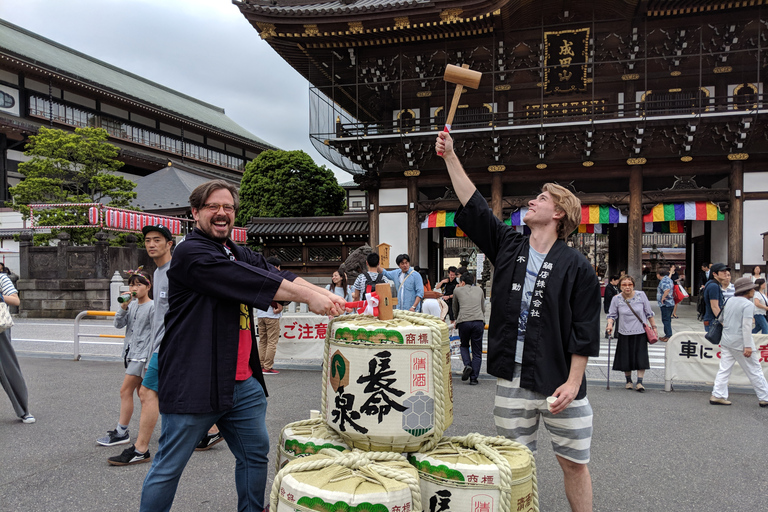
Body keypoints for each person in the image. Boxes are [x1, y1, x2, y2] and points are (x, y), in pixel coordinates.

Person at [139, 180, 345, 512]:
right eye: (213, 207)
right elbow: (251, 280)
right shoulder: (191, 252)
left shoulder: (234, 250)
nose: (222, 214)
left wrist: (326, 294)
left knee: (254, 454)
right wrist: (309, 297)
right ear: (195, 213)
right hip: (197, 379)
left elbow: (275, 272)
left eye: (229, 208)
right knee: (169, 466)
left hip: (242, 380)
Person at [436, 131, 600, 512]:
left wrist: (574, 383)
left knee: (574, 463)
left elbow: (585, 328)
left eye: (541, 198)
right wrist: (450, 158)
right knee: (513, 464)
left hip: (560, 379)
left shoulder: (577, 266)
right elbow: (473, 204)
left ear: (559, 213)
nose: (532, 200)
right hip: (512, 375)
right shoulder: (510, 245)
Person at [108, 225, 191, 465]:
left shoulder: (177, 270)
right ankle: (210, 429)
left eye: (157, 240)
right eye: (147, 241)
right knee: (169, 392)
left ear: (169, 244)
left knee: (145, 392)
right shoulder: (158, 272)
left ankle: (141, 448)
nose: (151, 244)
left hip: (166, 345)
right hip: (159, 346)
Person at [98, 270, 154, 447]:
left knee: (125, 391)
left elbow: (156, 334)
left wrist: (149, 357)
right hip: (130, 354)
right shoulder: (132, 305)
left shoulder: (153, 307)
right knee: (144, 395)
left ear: (148, 286)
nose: (134, 288)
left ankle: (121, 431)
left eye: (138, 284)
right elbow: (117, 325)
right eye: (131, 284)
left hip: (142, 356)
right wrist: (123, 307)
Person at [709, 277, 768, 407]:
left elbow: (721, 318)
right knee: (754, 370)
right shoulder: (748, 304)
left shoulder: (730, 300)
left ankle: (717, 395)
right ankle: (765, 397)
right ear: (747, 290)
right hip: (741, 343)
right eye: (752, 288)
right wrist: (747, 346)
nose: (754, 290)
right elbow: (746, 326)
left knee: (724, 369)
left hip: (726, 340)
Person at [606, 276, 656, 392]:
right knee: (625, 357)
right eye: (624, 285)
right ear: (620, 286)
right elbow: (612, 315)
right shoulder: (616, 299)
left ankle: (640, 382)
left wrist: (654, 327)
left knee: (640, 357)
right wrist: (609, 325)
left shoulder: (641, 295)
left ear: (633, 285)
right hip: (624, 332)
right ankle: (628, 380)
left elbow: (649, 313)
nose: (627, 287)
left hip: (640, 331)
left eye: (630, 284)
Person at [0, 272, 34, 424]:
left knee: (9, 370)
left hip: (0, 331)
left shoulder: (1, 278)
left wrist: (0, 297)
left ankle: (23, 410)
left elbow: (16, 300)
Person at [452, 272, 485, 385]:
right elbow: (482, 307)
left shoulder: (457, 290)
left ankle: (467, 365)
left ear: (463, 282)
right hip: (478, 321)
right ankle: (474, 379)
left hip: (464, 321)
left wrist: (457, 319)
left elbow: (455, 307)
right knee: (477, 351)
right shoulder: (480, 290)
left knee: (464, 345)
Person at [256, 256, 284, 375]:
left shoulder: (260, 276)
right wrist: (278, 305)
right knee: (272, 342)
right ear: (276, 267)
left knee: (263, 341)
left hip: (260, 313)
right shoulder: (274, 277)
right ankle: (268, 366)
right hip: (272, 313)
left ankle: (261, 364)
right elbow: (276, 293)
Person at [702, 263, 730, 332]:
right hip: (713, 320)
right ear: (714, 273)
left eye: (725, 271)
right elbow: (714, 306)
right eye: (722, 271)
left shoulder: (712, 284)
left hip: (711, 319)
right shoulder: (713, 286)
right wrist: (723, 322)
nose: (725, 273)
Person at [656, 267, 674, 342]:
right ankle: (667, 334)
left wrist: (663, 297)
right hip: (670, 303)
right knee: (667, 319)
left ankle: (668, 335)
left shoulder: (663, 281)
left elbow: (667, 290)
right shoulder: (668, 279)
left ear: (658, 274)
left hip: (666, 303)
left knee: (666, 320)